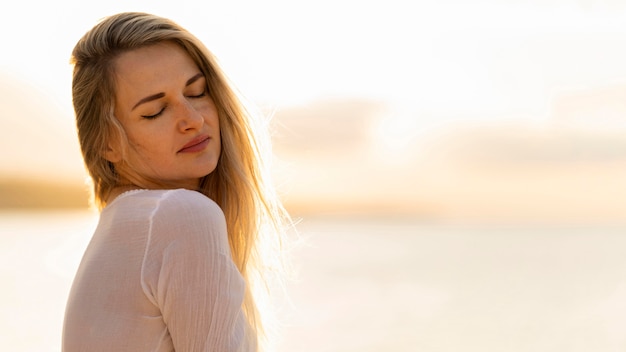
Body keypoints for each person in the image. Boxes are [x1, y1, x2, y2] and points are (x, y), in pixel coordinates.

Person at [62, 12, 290, 352]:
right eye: (155, 111)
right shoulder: (180, 216)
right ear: (106, 143)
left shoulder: (122, 232)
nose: (193, 120)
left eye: (196, 92)